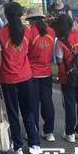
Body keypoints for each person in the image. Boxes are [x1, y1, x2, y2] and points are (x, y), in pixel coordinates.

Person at [0, 2, 41, 154]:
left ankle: (18, 148)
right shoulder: (27, 30)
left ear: (6, 16)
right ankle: (34, 144)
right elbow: (27, 51)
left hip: (8, 78)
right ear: (21, 15)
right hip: (26, 76)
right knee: (28, 111)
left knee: (13, 113)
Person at [52, 14, 78, 143]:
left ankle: (70, 133)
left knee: (70, 104)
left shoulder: (60, 41)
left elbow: (59, 60)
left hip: (68, 76)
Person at [25, 8, 56, 142]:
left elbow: (25, 52)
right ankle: (49, 131)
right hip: (47, 72)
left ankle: (33, 131)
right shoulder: (51, 32)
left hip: (32, 73)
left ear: (31, 20)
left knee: (32, 104)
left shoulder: (29, 32)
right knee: (47, 102)